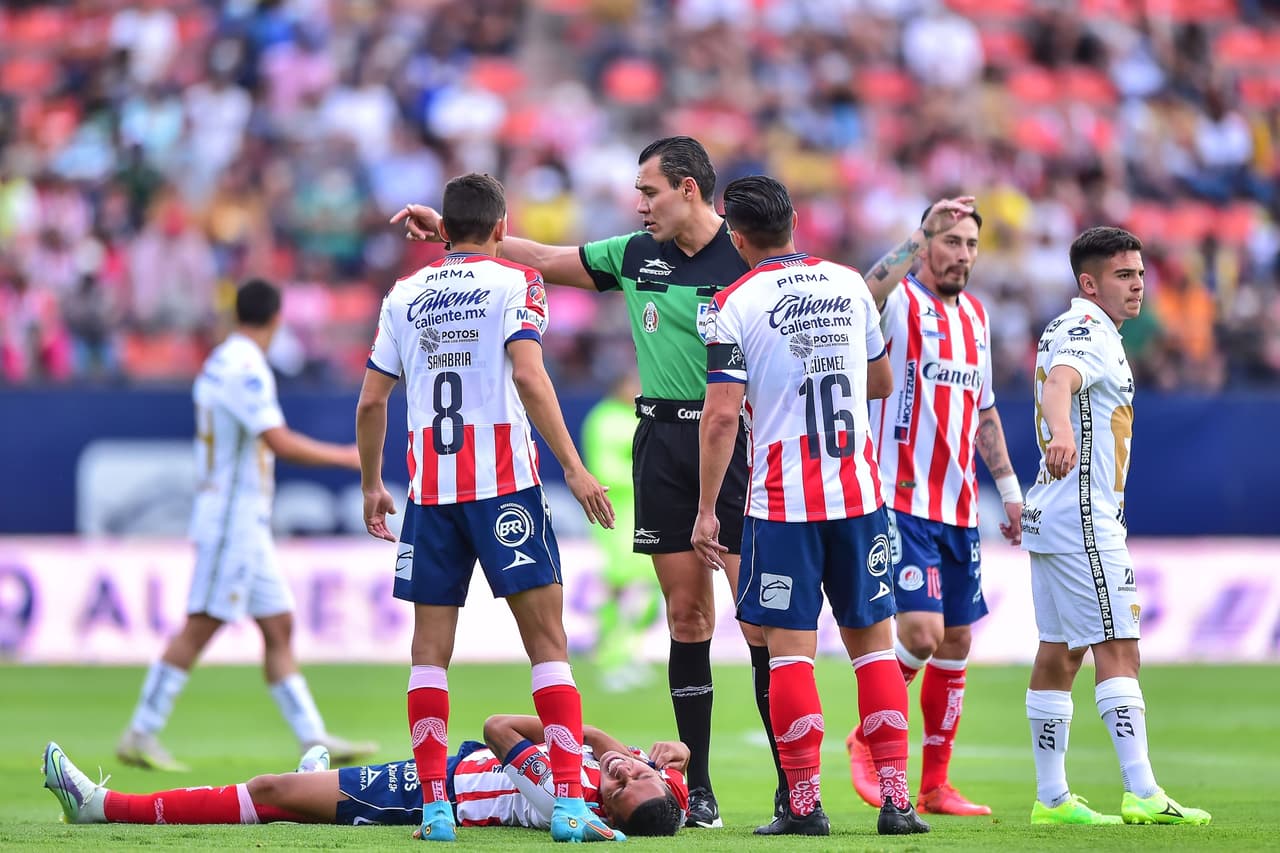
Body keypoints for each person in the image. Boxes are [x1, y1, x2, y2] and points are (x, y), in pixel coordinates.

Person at [393, 137, 785, 830]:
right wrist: (464, 238)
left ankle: (794, 785)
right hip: (663, 441)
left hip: (735, 441)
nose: (639, 204)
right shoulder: (636, 255)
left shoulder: (747, 257)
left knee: (759, 621)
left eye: (650, 191)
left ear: (688, 189)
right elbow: (544, 259)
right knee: (687, 615)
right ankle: (700, 791)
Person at [355, 173, 621, 843]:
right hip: (506, 490)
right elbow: (529, 375)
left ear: (446, 229)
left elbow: (370, 401)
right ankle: (566, 804)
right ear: (502, 228)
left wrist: (369, 484)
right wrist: (574, 465)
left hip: (433, 496)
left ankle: (437, 809)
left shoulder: (404, 293)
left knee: (429, 655)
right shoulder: (514, 283)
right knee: (548, 647)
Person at [692, 175, 930, 837]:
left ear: (736, 237)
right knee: (873, 650)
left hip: (783, 502)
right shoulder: (851, 283)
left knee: (791, 654)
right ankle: (897, 801)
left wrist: (709, 508)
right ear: (795, 220)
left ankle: (803, 806)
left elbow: (718, 419)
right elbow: (881, 380)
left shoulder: (730, 302)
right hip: (859, 498)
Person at [117, 278, 376, 773]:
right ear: (276, 319)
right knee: (202, 624)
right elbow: (278, 441)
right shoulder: (245, 367)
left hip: (244, 520)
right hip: (232, 519)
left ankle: (312, 736)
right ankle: (141, 730)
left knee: (278, 625)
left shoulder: (220, 360)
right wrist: (349, 457)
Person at [1021, 226, 1211, 826]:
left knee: (1060, 652)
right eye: (1124, 275)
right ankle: (1143, 791)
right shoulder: (1088, 332)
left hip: (1051, 515)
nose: (1138, 285)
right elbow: (1059, 384)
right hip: (1083, 518)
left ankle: (1052, 801)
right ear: (1090, 283)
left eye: (1139, 273)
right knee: (1119, 647)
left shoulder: (1068, 326)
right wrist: (1064, 432)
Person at [843, 198, 1022, 817]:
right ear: (927, 246)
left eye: (970, 244)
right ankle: (869, 738)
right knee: (921, 631)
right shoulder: (901, 303)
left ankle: (935, 784)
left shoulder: (977, 316)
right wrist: (919, 235)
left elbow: (987, 410)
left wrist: (1010, 488)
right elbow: (864, 292)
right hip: (897, 499)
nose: (962, 254)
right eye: (951, 242)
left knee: (957, 641)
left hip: (959, 505)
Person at [43, 713, 689, 836]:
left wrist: (600, 738)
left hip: (420, 798)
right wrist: (668, 760)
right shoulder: (649, 789)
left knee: (272, 795)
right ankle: (313, 779)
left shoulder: (565, 791)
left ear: (603, 809)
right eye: (640, 773)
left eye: (620, 787)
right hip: (441, 771)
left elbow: (500, 725)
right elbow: (675, 783)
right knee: (294, 790)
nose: (624, 771)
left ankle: (101, 804)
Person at [581, 371, 663, 692]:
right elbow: (605, 470)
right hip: (617, 517)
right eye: (632, 383)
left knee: (647, 591)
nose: (637, 388)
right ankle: (611, 659)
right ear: (619, 385)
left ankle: (626, 653)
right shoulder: (603, 420)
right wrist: (649, 478)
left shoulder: (636, 414)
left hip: (644, 513)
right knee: (624, 587)